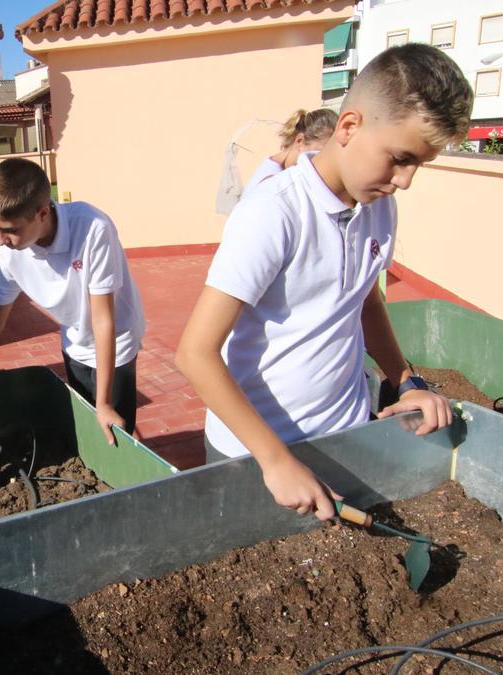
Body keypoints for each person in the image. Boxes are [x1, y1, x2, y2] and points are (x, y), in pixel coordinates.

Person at [176, 44, 473, 521]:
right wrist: (275, 461)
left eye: (419, 164)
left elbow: (364, 298)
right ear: (350, 127)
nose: (406, 180)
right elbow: (194, 354)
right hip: (256, 453)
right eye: (399, 158)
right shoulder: (274, 211)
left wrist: (405, 381)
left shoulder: (379, 205)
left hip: (345, 435)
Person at [0, 158, 145, 445]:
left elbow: (103, 320)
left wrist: (104, 403)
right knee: (88, 430)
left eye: (10, 230)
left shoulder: (93, 229)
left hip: (116, 341)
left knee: (113, 432)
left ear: (42, 213)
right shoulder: (11, 253)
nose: (1, 241)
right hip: (74, 339)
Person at [244, 108, 338, 190]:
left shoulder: (279, 169)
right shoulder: (274, 182)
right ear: (300, 141)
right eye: (320, 153)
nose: (327, 162)